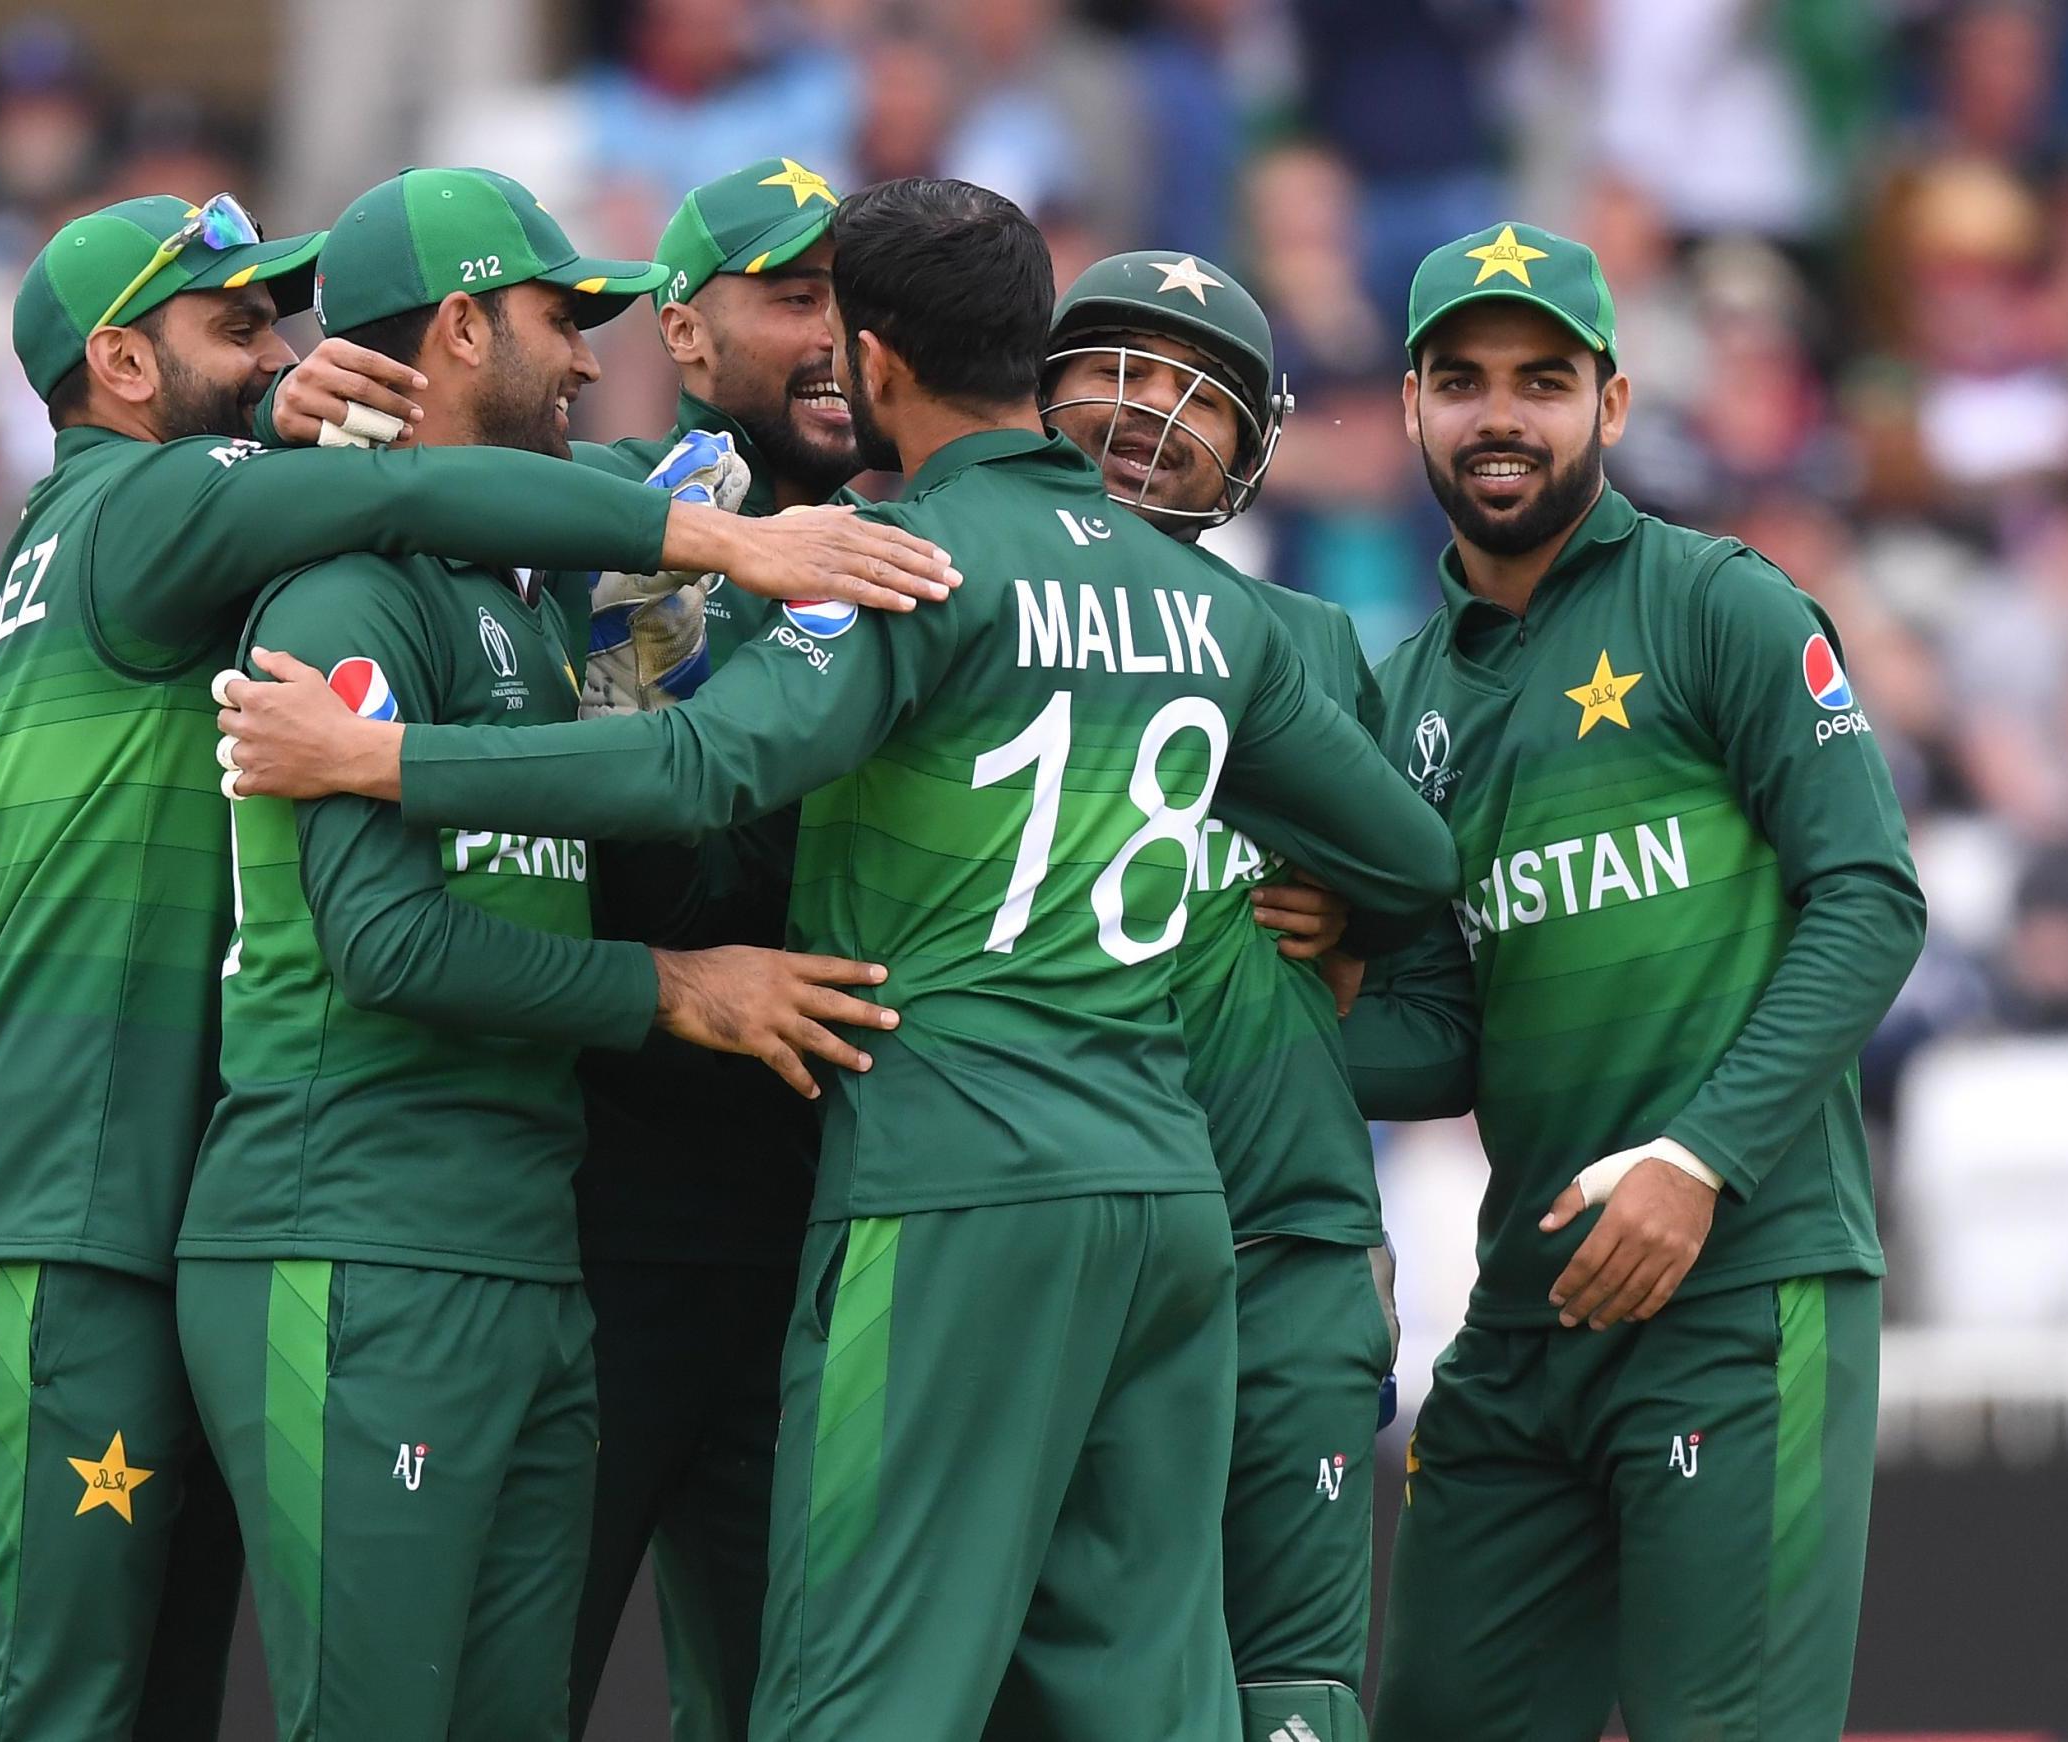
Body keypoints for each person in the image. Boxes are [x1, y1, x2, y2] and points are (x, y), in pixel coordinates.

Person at [214, 175, 1461, 1742]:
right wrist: (1337, 907)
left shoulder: (893, 562)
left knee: (859, 1696)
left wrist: (386, 766)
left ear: (875, 363)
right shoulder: (1206, 603)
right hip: (1159, 1200)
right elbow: (1414, 858)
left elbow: (693, 773)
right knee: (1153, 1686)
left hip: (948, 1186)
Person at [0, 188, 953, 1742]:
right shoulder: (145, 506)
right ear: (122, 366)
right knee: (63, 1703)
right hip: (75, 1197)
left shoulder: (195, 513)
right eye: (244, 334)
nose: (296, 363)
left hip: (154, 1177)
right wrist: (729, 539)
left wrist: (271, 406)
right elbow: (413, 499)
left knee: (151, 1699)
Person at [172, 166, 901, 1742]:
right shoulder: (349, 587)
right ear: (453, 328)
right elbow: (379, 939)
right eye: (557, 318)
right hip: (353, 1228)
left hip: (511, 1241)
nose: (585, 357)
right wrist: (677, 989)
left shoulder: (533, 595)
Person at [1346, 221, 1925, 1742]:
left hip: (1739, 1285)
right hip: (1528, 1318)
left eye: (1543, 379)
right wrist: (1288, 994)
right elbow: (1439, 1044)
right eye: (1461, 380)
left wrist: (1697, 1158)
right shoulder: (1401, 696)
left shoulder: (1719, 603)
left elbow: (1869, 899)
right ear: (1408, 401)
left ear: (1610, 402)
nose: (1499, 416)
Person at [1042, 248, 1399, 1742]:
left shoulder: (1314, 643)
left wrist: (1362, 927)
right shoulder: (947, 577)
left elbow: (1420, 945)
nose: (1148, 409)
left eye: (1199, 393)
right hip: (1046, 1219)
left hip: (1280, 1233)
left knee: (1291, 1690)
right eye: (1115, 366)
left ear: (1254, 449)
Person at [554, 155, 864, 1742]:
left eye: (855, 300)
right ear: (681, 333)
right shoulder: (613, 530)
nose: (835, 336)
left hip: (851, 1236)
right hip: (617, 1233)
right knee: (511, 1677)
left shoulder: (944, 534)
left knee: (783, 1705)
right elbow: (621, 875)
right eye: (792, 295)